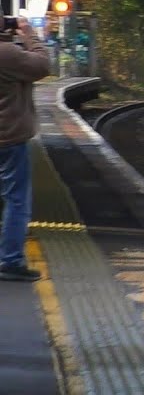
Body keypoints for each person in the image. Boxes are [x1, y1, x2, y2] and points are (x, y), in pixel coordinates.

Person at [0, 16, 50, 280]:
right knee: (16, 201)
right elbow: (42, 64)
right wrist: (28, 33)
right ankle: (10, 261)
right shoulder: (7, 54)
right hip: (8, 140)